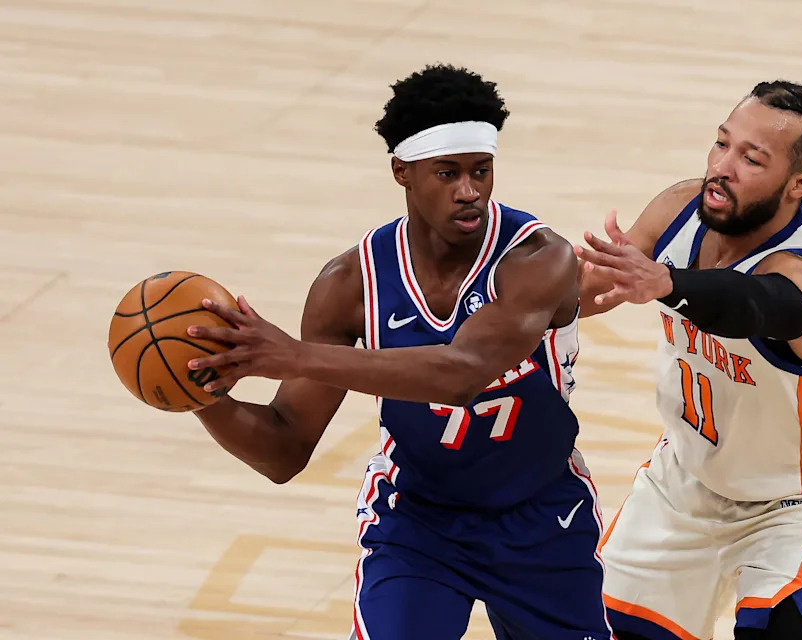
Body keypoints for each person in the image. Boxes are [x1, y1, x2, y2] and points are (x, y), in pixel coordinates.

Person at [185, 64, 614, 640]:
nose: (471, 191)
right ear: (402, 172)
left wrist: (293, 356)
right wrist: (195, 391)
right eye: (448, 173)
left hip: (541, 516)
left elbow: (461, 374)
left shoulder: (537, 258)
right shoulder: (350, 282)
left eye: (481, 171)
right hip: (418, 518)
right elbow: (284, 450)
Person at [575, 80, 802, 640]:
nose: (722, 167)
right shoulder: (680, 209)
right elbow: (590, 291)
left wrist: (670, 284)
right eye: (721, 144)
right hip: (684, 485)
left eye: (752, 158)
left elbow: (751, 306)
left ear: (798, 185)